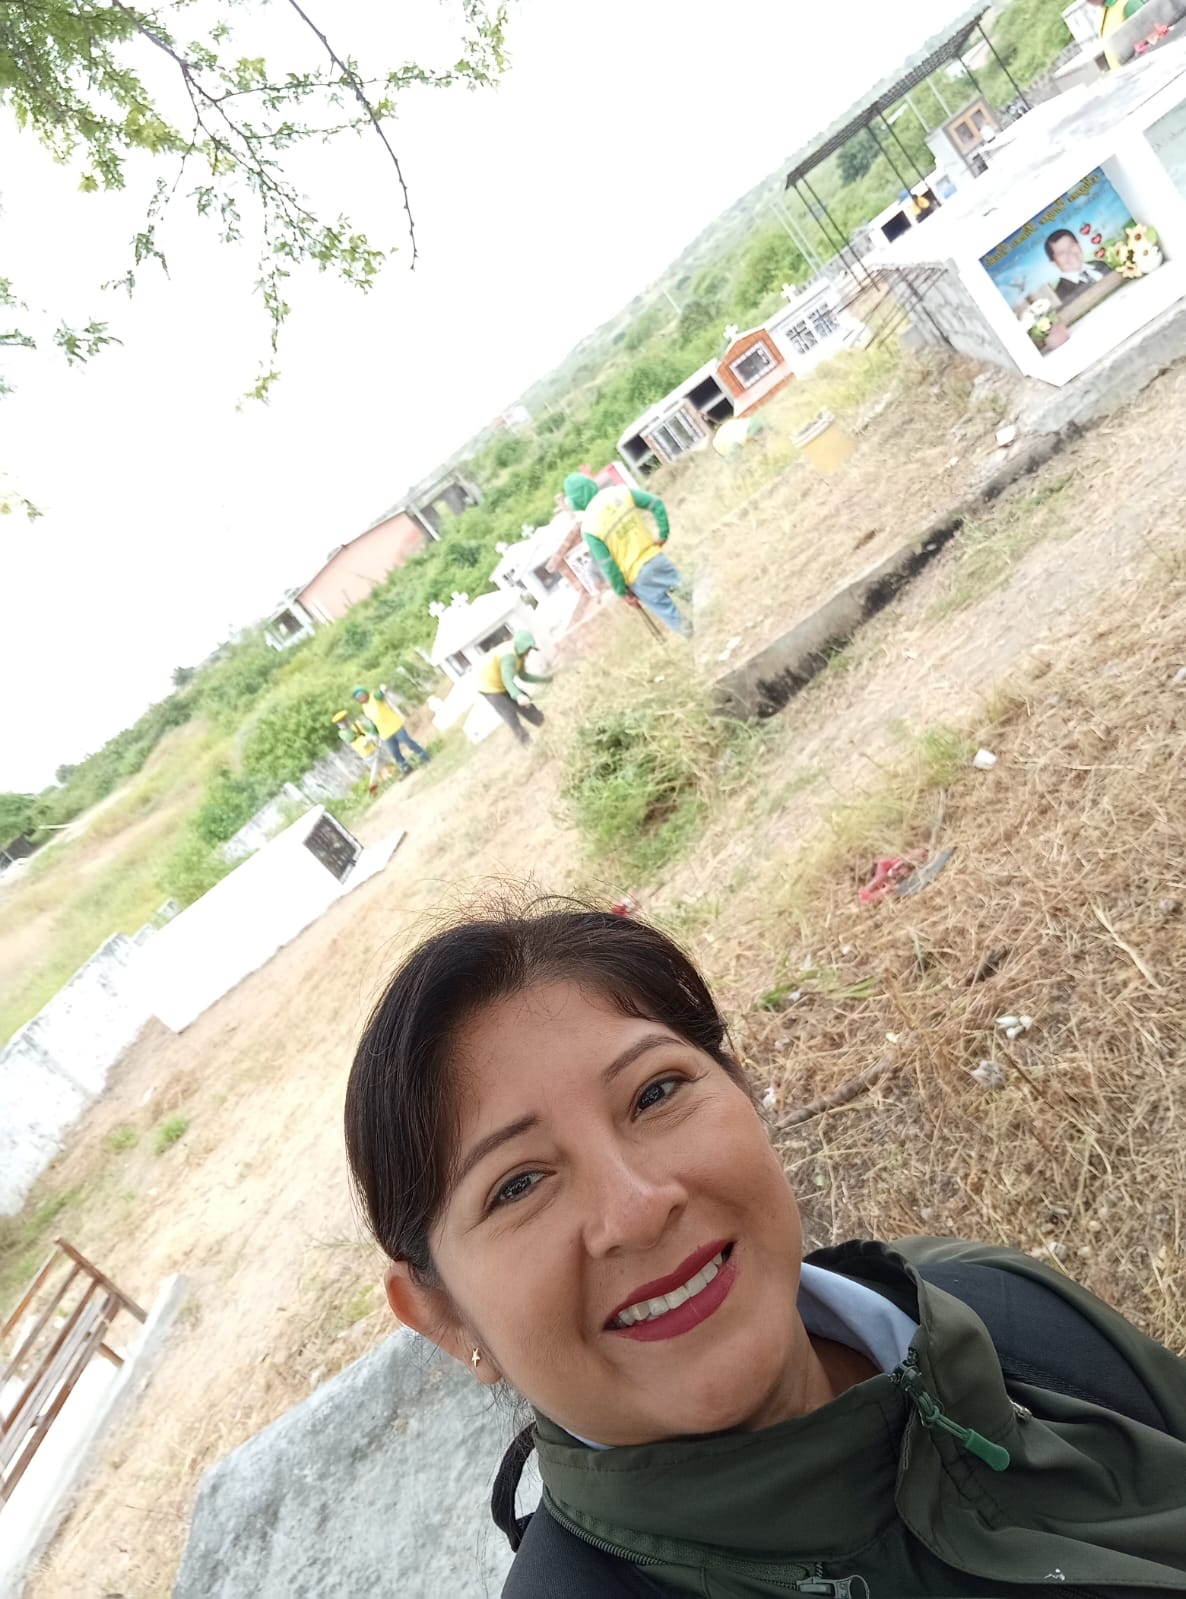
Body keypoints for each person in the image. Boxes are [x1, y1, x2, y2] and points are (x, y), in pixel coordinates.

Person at [345, 905, 1186, 1599]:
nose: (638, 1209)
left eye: (655, 1092)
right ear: (444, 1317)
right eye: (518, 1184)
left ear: (741, 1087)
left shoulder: (988, 1307)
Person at [564, 473, 691, 637]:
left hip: (637, 579)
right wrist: (663, 534)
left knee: (672, 615)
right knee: (690, 592)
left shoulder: (589, 528)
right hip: (655, 558)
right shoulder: (620, 492)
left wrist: (622, 593)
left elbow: (608, 565)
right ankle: (713, 619)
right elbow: (656, 503)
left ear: (574, 502)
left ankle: (697, 639)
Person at [477, 630, 551, 746]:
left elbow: (523, 676)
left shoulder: (520, 656)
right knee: (509, 713)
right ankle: (527, 743)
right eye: (528, 649)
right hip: (489, 687)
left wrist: (544, 680)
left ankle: (543, 722)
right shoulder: (510, 656)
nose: (529, 653)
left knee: (526, 701)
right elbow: (507, 680)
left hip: (501, 684)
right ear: (522, 647)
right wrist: (517, 696)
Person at [351, 685, 430, 778]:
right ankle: (406, 767)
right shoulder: (365, 708)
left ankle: (425, 757)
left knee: (408, 743)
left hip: (395, 726)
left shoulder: (374, 697)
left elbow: (380, 694)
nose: (361, 698)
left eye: (361, 695)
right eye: (358, 698)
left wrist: (382, 690)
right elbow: (373, 722)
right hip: (385, 733)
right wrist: (373, 734)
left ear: (365, 693)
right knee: (395, 753)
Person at [1045, 227, 1111, 305]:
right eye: (1062, 253)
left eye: (1071, 246)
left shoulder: (1100, 264)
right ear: (1053, 263)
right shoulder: (1061, 295)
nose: (1070, 254)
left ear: (1079, 245)